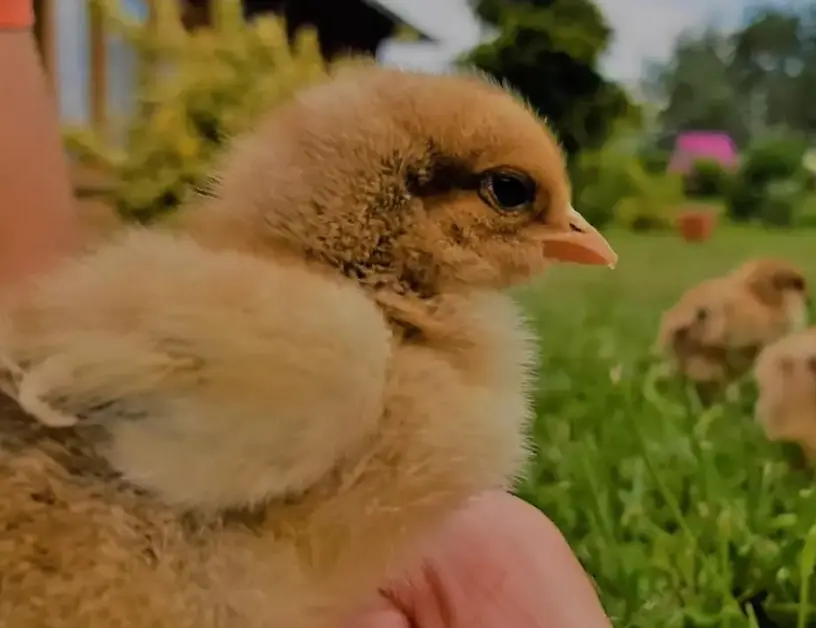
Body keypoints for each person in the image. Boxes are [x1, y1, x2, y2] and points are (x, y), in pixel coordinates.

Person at [0, 2, 611, 625]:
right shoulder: (317, 349)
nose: (575, 232)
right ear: (406, 197)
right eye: (512, 195)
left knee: (498, 553)